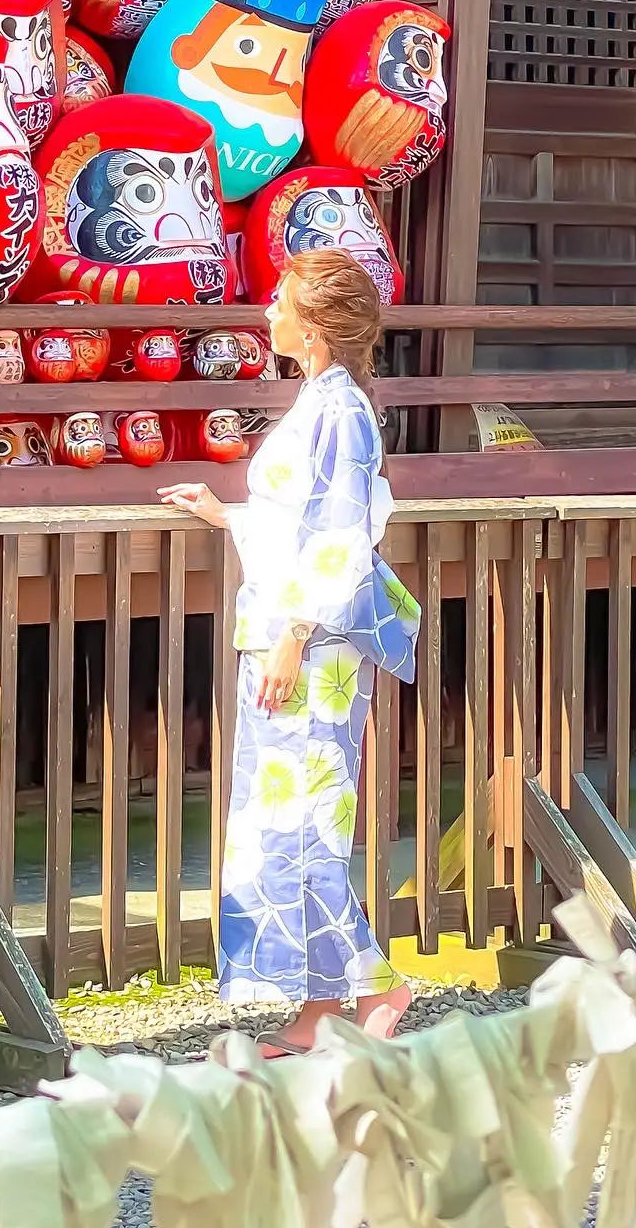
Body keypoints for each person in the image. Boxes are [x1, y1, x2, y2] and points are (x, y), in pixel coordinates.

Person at [160, 247, 419, 1054]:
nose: (267, 310)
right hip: (288, 635)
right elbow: (296, 521)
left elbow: (340, 534)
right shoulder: (323, 400)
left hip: (311, 647)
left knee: (305, 820)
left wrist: (295, 635)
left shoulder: (341, 411)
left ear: (311, 326)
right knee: (283, 822)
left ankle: (376, 983)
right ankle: (319, 1006)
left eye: (279, 300)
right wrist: (226, 516)